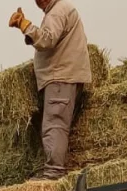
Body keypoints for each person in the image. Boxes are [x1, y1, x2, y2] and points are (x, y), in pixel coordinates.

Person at [8, 1, 92, 180]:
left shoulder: (57, 11)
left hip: (60, 77)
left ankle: (54, 172)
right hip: (65, 76)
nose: (37, 2)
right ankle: (54, 168)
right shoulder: (60, 10)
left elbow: (47, 39)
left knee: (54, 124)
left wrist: (25, 26)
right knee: (57, 124)